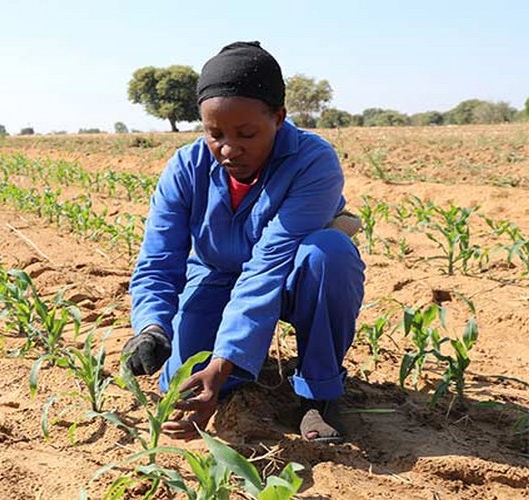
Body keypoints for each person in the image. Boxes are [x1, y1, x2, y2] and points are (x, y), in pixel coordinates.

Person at [122, 41, 365, 443]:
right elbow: (158, 259)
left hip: (290, 276)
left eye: (247, 133)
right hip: (217, 276)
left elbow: (269, 265)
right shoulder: (186, 168)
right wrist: (152, 329)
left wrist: (222, 362)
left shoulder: (312, 162)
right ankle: (237, 370)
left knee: (329, 254)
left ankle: (318, 394)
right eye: (214, 134)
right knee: (178, 381)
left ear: (279, 117)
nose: (229, 149)